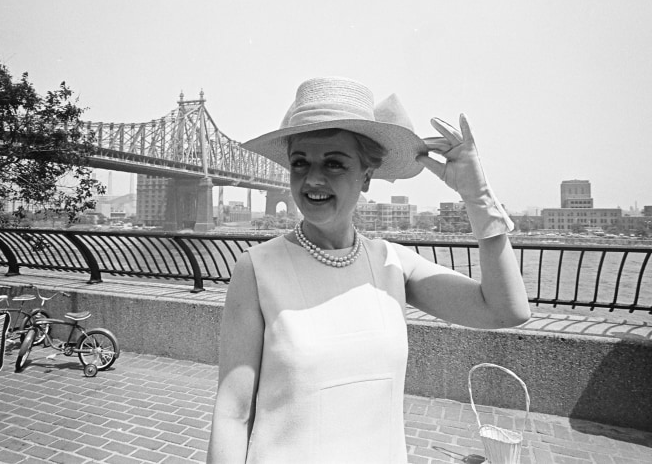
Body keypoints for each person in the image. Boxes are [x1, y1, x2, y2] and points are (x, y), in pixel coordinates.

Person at [207, 76, 531, 464]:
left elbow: (506, 309)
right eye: (300, 163)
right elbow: (233, 413)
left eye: (334, 163)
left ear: (366, 176)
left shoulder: (394, 263)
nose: (312, 179)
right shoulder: (256, 269)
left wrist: (477, 196)